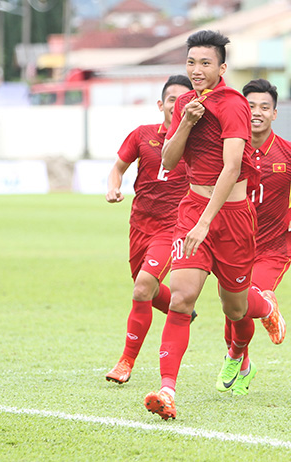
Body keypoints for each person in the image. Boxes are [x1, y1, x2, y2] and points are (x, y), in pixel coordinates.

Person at [143, 30, 286, 421]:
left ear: (222, 67)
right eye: (191, 62)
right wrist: (184, 124)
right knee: (181, 298)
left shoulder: (234, 105)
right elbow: (169, 161)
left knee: (236, 307)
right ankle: (168, 390)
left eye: (205, 63)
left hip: (232, 218)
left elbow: (233, 166)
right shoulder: (186, 103)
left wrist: (208, 221)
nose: (196, 70)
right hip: (192, 210)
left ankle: (265, 305)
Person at [222, 78, 291, 395]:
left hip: (273, 249)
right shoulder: (228, 151)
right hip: (234, 245)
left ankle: (238, 351)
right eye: (250, 106)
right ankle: (244, 362)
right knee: (232, 311)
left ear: (275, 114)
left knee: (247, 299)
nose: (257, 112)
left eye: (264, 107)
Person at [104, 75, 193, 384]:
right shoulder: (142, 135)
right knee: (148, 290)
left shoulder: (198, 142)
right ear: (161, 104)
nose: (177, 105)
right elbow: (117, 168)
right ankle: (182, 307)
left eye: (185, 100)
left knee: (142, 286)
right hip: (140, 224)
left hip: (174, 227)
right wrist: (113, 188)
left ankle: (125, 363)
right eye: (172, 100)